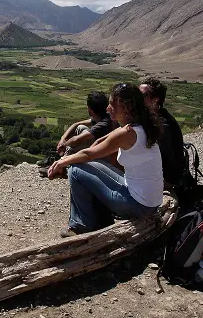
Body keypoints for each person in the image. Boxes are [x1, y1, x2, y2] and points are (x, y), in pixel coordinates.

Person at [48, 83, 164, 237]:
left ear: (125, 106)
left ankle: (82, 226)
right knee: (89, 165)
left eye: (111, 104)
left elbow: (89, 154)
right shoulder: (142, 126)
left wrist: (62, 161)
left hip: (138, 205)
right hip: (150, 200)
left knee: (76, 170)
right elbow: (101, 144)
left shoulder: (127, 133)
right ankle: (100, 220)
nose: (108, 108)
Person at [38, 91, 115, 176]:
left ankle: (59, 165)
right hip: (99, 150)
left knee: (81, 137)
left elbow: (78, 139)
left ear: (90, 109)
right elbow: (76, 124)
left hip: (103, 157)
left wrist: (63, 145)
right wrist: (63, 139)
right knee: (81, 128)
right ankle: (59, 161)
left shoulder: (104, 123)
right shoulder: (102, 116)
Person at [139, 78, 185, 187]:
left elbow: (160, 158)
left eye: (142, 96)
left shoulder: (162, 125)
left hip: (166, 178)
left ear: (155, 100)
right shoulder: (155, 117)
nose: (138, 99)